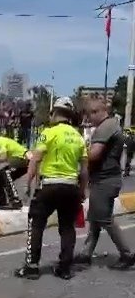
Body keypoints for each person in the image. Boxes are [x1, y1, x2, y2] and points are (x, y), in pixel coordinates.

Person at [15, 97, 88, 281]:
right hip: (71, 187)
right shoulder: (78, 137)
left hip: (49, 186)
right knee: (67, 227)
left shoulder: (49, 132)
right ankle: (64, 268)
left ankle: (32, 266)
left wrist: (28, 184)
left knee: (36, 223)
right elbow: (85, 170)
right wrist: (82, 191)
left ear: (54, 113)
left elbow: (35, 159)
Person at [75, 98, 135, 269]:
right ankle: (86, 253)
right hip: (106, 178)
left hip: (105, 180)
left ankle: (127, 254)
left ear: (99, 111)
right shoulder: (112, 125)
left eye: (92, 113)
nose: (90, 117)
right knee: (96, 218)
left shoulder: (105, 127)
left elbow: (94, 154)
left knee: (105, 218)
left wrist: (78, 154)